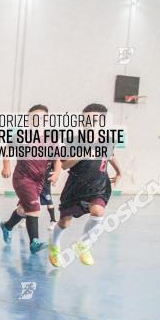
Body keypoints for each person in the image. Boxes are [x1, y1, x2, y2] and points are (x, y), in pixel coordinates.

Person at [49, 103, 123, 267]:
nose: (89, 123)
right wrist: (83, 153)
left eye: (94, 120)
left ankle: (83, 245)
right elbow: (65, 165)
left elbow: (110, 155)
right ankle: (54, 246)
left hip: (99, 186)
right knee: (65, 222)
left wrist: (119, 171)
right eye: (86, 120)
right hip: (76, 187)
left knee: (98, 211)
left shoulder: (107, 141)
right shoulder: (73, 141)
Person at [0, 103, 51, 253]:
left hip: (39, 180)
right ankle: (34, 243)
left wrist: (58, 172)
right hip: (22, 178)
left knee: (23, 209)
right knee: (34, 209)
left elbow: (57, 157)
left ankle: (7, 226)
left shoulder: (50, 138)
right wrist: (6, 165)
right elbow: (8, 147)